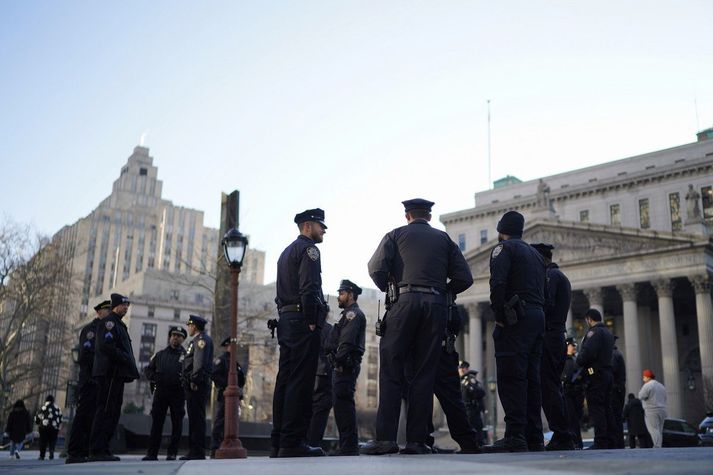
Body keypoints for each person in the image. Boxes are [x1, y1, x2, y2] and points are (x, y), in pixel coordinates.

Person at [363, 198, 473, 455]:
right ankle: (416, 442)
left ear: (407, 216)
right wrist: (444, 291)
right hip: (435, 307)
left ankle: (386, 440)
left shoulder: (395, 235)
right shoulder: (445, 240)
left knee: (391, 370)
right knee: (424, 374)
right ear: (429, 217)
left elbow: (374, 267)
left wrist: (389, 286)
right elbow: (464, 278)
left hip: (403, 302)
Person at [484, 211, 546, 453]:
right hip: (537, 317)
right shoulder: (537, 256)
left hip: (515, 320)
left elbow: (497, 285)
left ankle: (515, 435)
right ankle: (535, 437)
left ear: (502, 231)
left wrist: (499, 318)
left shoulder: (504, 249)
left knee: (511, 377)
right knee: (532, 379)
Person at [272, 208, 329, 457]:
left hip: (286, 319)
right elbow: (309, 287)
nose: (324, 230)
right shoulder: (310, 250)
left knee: (284, 380)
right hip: (301, 322)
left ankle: (278, 441)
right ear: (308, 226)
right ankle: (294, 442)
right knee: (301, 382)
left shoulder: (285, 253)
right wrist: (311, 321)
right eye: (320, 225)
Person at [531, 242, 574, 451]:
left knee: (549, 389)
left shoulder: (550, 277)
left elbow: (545, 303)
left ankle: (562, 434)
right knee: (552, 387)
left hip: (549, 336)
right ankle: (563, 433)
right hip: (555, 336)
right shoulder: (559, 276)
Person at [89, 293, 139, 462]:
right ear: (116, 305)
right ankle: (97, 449)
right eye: (123, 305)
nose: (126, 308)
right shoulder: (109, 323)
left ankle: (104, 448)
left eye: (127, 305)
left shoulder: (119, 324)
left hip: (117, 375)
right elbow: (107, 347)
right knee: (105, 410)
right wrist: (125, 358)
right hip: (109, 374)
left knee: (113, 411)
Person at [323, 279, 366, 456]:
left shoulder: (352, 314)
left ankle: (348, 447)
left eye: (341, 293)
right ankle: (347, 446)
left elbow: (346, 342)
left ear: (350, 294)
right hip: (340, 367)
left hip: (345, 367)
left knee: (344, 408)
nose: (339, 297)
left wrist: (337, 360)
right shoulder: (347, 314)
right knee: (340, 407)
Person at [66, 299, 111, 464]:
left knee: (92, 416)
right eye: (108, 310)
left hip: (99, 379)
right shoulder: (91, 330)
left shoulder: (105, 330)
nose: (110, 313)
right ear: (99, 312)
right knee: (83, 415)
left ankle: (84, 450)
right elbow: (85, 355)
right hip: (89, 378)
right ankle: (74, 452)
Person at [143, 326, 188, 461]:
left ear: (183, 339)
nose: (176, 337)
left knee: (177, 424)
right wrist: (155, 378)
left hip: (178, 394)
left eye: (179, 336)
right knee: (157, 423)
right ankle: (152, 453)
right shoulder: (160, 354)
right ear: (170, 337)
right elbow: (148, 370)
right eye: (174, 335)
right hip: (161, 393)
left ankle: (172, 453)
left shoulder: (186, 357)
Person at [576, 308, 615, 449]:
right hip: (607, 374)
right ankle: (610, 440)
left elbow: (587, 353)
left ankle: (601, 441)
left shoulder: (595, 333)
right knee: (607, 408)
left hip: (596, 375)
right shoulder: (608, 333)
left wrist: (578, 360)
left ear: (589, 319)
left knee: (596, 408)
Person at [180, 314, 213, 460]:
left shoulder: (201, 341)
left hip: (196, 385)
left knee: (196, 419)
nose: (188, 328)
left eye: (189, 325)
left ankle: (196, 451)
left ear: (194, 326)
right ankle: (195, 450)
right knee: (195, 418)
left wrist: (194, 380)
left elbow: (199, 363)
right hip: (194, 384)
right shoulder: (198, 340)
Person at [210, 336, 246, 457]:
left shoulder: (235, 362)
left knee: (232, 422)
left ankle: (227, 443)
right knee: (221, 421)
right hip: (224, 395)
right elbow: (214, 375)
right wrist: (226, 385)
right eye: (232, 346)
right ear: (227, 346)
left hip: (235, 397)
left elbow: (242, 379)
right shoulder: (222, 360)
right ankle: (215, 447)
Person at [306, 321, 334, 449]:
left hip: (308, 372)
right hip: (323, 372)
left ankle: (307, 442)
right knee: (321, 408)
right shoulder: (328, 329)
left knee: (308, 408)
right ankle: (314, 443)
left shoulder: (305, 326)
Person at [562, 337, 585, 449]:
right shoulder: (564, 360)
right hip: (567, 391)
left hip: (576, 391)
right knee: (571, 419)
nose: (574, 347)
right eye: (572, 345)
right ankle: (575, 441)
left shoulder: (575, 360)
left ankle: (576, 442)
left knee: (575, 419)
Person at [638, 369, 667, 448]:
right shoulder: (661, 385)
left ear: (647, 377)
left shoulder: (647, 385)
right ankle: (659, 446)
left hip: (651, 409)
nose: (643, 379)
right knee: (659, 430)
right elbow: (665, 397)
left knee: (653, 429)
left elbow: (641, 396)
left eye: (644, 377)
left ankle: (657, 446)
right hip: (662, 409)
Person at [458, 361, 485, 446]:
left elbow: (481, 393)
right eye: (460, 368)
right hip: (465, 410)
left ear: (467, 369)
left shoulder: (470, 380)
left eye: (463, 368)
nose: (461, 370)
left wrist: (472, 387)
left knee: (475, 429)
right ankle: (469, 446)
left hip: (472, 410)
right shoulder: (461, 381)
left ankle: (476, 446)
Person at [610, 342, 627, 449]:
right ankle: (618, 443)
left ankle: (616, 443)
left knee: (614, 418)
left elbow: (611, 371)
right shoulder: (617, 354)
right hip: (618, 390)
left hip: (615, 391)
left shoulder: (613, 355)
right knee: (617, 418)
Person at [35, 395, 63, 460]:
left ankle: (42, 455)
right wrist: (58, 425)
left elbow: (38, 416)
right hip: (54, 427)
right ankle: (51, 452)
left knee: (43, 441)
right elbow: (61, 418)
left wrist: (38, 422)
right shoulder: (57, 408)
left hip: (44, 427)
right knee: (52, 441)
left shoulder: (43, 407)